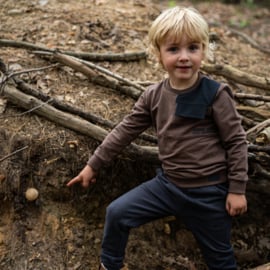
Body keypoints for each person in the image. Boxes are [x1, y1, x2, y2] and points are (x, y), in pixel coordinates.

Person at [67, 6, 248, 270]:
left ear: (204, 50)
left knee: (220, 259)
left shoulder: (216, 94)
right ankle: (109, 265)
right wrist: (93, 165)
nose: (184, 57)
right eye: (174, 49)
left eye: (193, 48)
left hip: (209, 193)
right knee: (116, 213)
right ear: (158, 53)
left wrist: (237, 190)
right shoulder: (154, 95)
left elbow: (236, 142)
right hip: (167, 187)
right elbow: (125, 130)